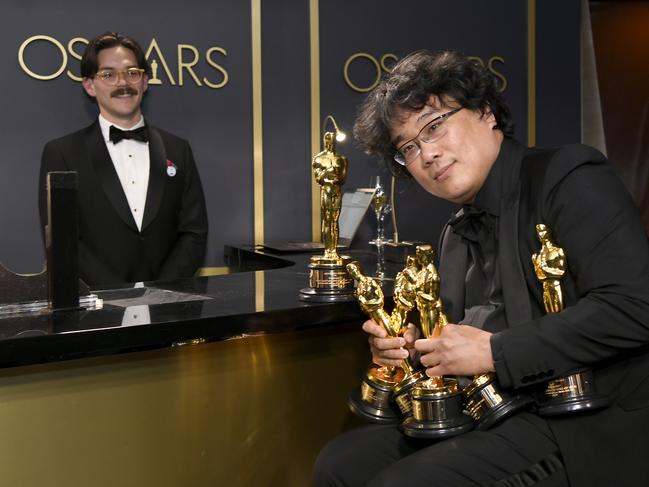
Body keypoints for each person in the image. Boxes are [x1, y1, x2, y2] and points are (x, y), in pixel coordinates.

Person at [314, 50, 649, 487]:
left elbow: (635, 307)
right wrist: (411, 350)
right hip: (494, 411)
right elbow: (462, 341)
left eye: (434, 126)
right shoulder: (454, 232)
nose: (427, 154)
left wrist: (495, 352)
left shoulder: (569, 175)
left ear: (485, 111)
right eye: (408, 148)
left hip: (585, 422)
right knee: (340, 463)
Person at [39, 32, 208, 287]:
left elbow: (194, 233)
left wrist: (160, 293)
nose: (123, 83)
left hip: (170, 308)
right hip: (98, 313)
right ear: (89, 85)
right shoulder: (62, 153)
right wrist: (120, 296)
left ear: (145, 81)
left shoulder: (178, 149)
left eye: (132, 72)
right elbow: (63, 241)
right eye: (108, 74)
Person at [312, 131, 349, 260]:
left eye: (332, 139)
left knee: (335, 220)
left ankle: (333, 250)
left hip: (336, 190)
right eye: (327, 139)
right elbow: (318, 179)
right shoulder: (319, 159)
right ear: (324, 140)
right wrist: (328, 172)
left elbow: (343, 179)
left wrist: (332, 177)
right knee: (327, 220)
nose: (329, 142)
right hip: (326, 190)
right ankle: (328, 250)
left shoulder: (341, 159)